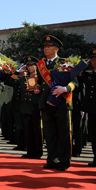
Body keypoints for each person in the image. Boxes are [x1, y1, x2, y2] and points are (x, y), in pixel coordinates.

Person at [38, 35, 78, 171]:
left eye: (49, 46)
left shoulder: (65, 63)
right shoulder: (41, 65)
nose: (46, 49)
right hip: (46, 103)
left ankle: (64, 161)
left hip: (61, 103)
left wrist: (65, 88)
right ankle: (51, 159)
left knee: (64, 133)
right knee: (49, 134)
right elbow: (39, 84)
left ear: (56, 48)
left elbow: (75, 82)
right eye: (44, 47)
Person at [8, 57, 45, 159]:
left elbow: (46, 89)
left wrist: (40, 90)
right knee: (28, 131)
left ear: (36, 66)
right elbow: (11, 81)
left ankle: (38, 152)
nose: (29, 68)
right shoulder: (24, 78)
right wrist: (18, 71)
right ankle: (30, 151)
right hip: (26, 107)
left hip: (36, 106)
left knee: (37, 131)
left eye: (31, 65)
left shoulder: (40, 78)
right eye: (28, 66)